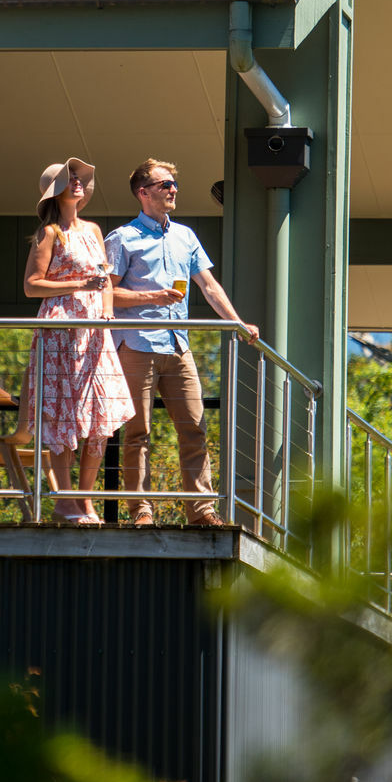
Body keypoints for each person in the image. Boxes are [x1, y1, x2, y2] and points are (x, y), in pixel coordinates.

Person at [105, 158, 258, 526]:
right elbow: (106, 294)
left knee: (194, 427)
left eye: (174, 184)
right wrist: (150, 299)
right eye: (164, 184)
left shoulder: (185, 236)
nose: (173, 189)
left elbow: (208, 286)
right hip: (137, 345)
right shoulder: (122, 238)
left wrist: (236, 322)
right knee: (137, 433)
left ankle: (202, 512)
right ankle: (141, 512)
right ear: (143, 193)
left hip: (178, 345)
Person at [20, 157, 133, 524]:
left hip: (95, 330)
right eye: (71, 179)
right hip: (60, 329)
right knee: (63, 414)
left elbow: (104, 280)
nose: (79, 182)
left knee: (101, 413)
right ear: (57, 190)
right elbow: (31, 286)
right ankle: (65, 500)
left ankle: (85, 499)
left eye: (80, 177)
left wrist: (107, 310)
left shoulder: (94, 230)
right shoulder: (50, 232)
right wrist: (78, 286)